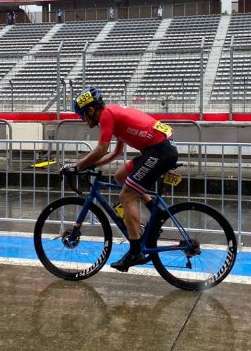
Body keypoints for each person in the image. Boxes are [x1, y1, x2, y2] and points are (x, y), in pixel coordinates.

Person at [60, 87, 178, 272]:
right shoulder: (113, 114)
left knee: (126, 196)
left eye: (83, 115)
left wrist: (77, 166)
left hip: (159, 151)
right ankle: (155, 210)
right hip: (159, 149)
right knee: (120, 176)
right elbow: (115, 152)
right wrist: (92, 166)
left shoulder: (106, 115)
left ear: (90, 110)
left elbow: (101, 149)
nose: (83, 120)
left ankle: (135, 251)